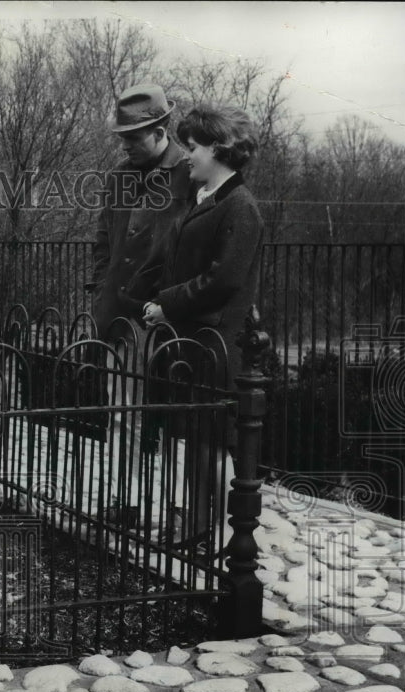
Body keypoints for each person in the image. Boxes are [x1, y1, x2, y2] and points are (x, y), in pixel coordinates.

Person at [139, 105, 264, 549]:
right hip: (195, 341)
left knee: (212, 444)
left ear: (218, 148)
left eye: (192, 148)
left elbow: (224, 278)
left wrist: (166, 305)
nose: (186, 156)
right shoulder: (208, 198)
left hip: (217, 341)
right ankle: (198, 528)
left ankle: (227, 538)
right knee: (196, 441)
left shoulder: (239, 206)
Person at [85, 85, 194, 523]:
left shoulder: (191, 172)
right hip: (120, 316)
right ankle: (126, 500)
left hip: (171, 315)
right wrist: (97, 291)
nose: (125, 144)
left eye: (133, 136)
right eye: (122, 137)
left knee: (177, 416)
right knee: (121, 413)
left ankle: (179, 506)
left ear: (160, 129)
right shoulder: (117, 178)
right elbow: (103, 241)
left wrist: (173, 302)